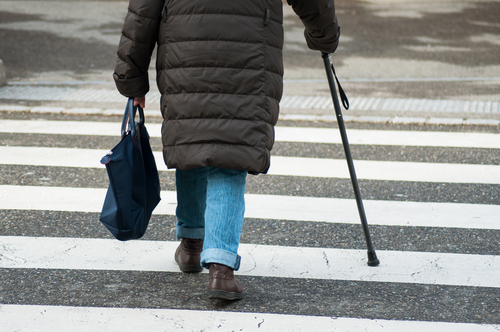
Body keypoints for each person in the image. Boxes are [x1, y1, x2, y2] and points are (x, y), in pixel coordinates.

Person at [113, 0, 340, 301]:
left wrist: (131, 74)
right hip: (249, 54)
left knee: (192, 141)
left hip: (186, 49)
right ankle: (221, 268)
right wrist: (324, 34)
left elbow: (143, 10)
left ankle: (192, 244)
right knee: (231, 150)